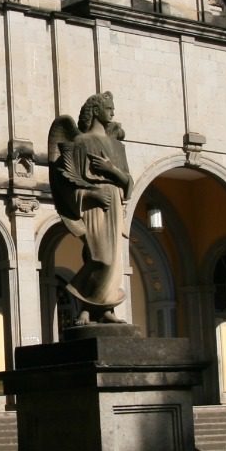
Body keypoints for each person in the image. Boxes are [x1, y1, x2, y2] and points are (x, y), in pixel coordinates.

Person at [48, 92, 132, 324]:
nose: (113, 112)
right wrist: (92, 194)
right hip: (94, 205)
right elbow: (67, 183)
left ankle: (102, 310)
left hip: (114, 202)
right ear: (95, 111)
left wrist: (111, 170)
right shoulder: (80, 143)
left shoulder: (117, 146)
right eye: (109, 108)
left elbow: (128, 183)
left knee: (114, 262)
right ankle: (81, 298)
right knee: (100, 257)